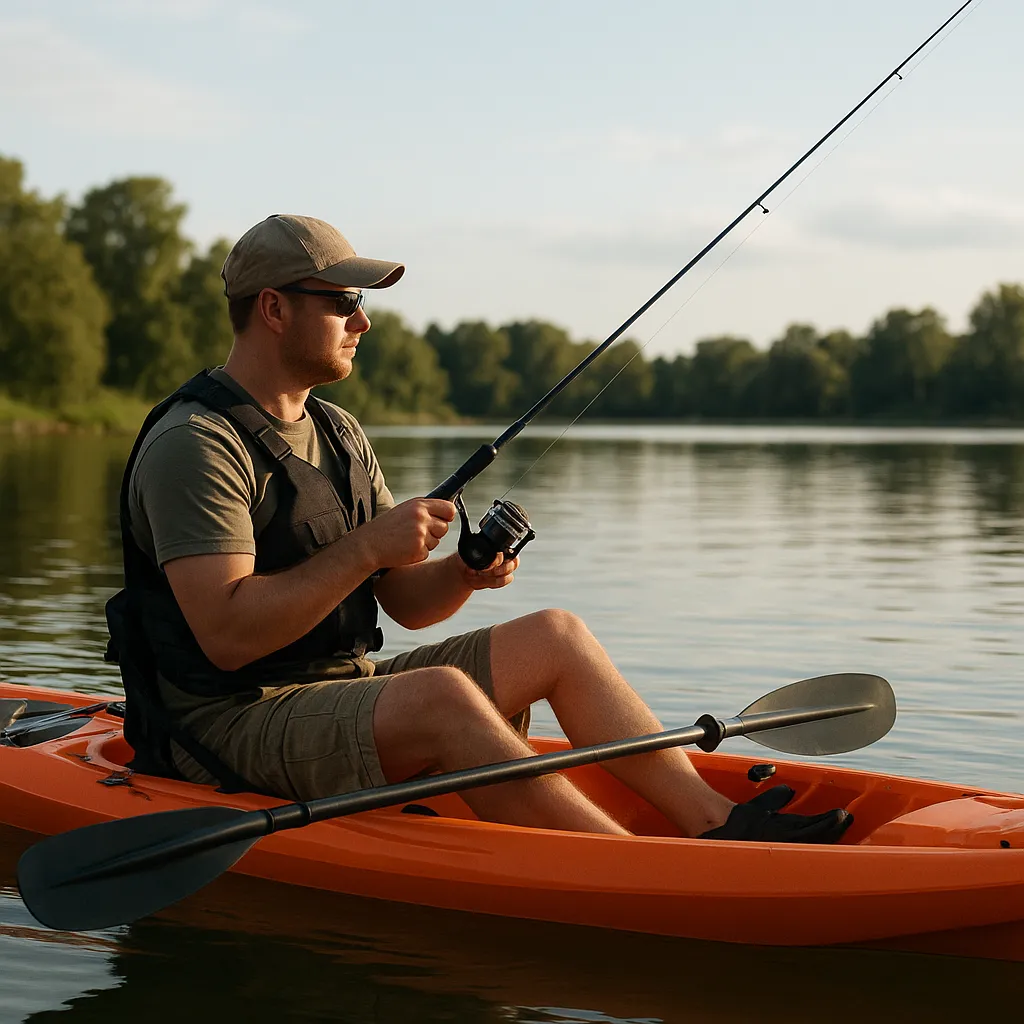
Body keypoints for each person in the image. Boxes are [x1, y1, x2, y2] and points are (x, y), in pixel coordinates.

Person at [107, 213, 852, 844]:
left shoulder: (336, 431)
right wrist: (366, 545)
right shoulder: (196, 444)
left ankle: (716, 822)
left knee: (556, 634)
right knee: (440, 695)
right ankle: (634, 867)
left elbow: (405, 603)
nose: (362, 321)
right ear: (273, 308)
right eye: (343, 302)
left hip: (333, 688)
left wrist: (461, 572)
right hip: (222, 725)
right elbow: (226, 635)